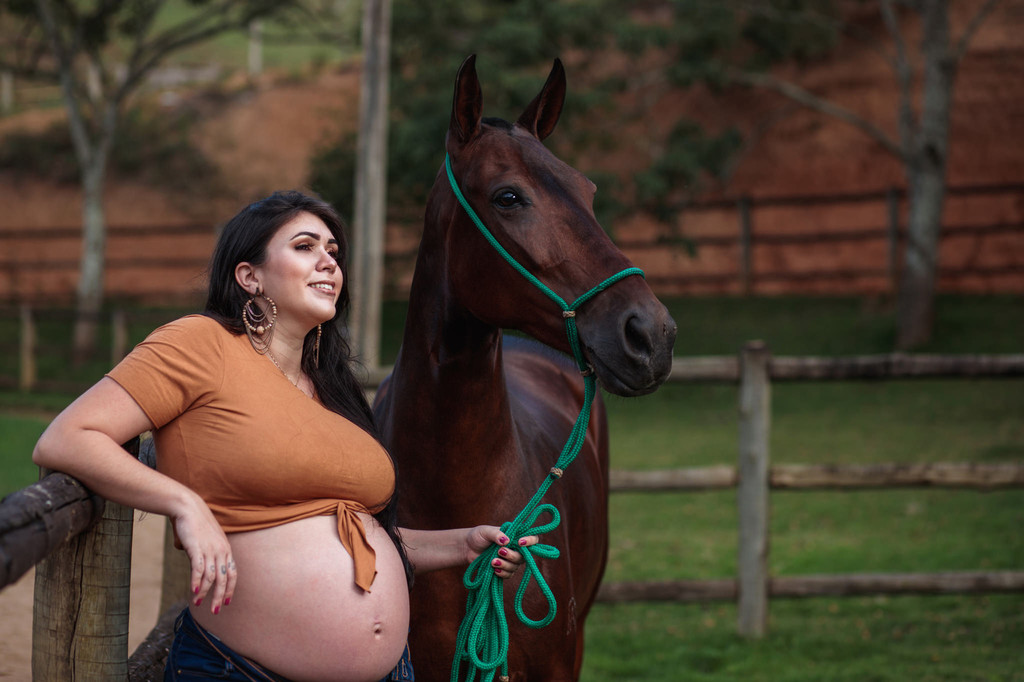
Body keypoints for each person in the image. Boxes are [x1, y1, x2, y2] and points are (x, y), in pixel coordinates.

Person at [32, 191, 537, 682]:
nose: (329, 263)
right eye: (305, 247)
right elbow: (68, 436)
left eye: (333, 252)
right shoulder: (200, 343)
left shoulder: (332, 388)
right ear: (249, 276)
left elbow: (347, 531)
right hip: (243, 670)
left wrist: (461, 546)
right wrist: (185, 504)